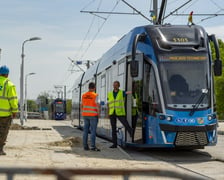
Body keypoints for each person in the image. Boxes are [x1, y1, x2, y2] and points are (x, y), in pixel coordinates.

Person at [107, 81, 133, 148]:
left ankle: (131, 132)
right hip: (112, 113)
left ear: (119, 86)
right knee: (113, 129)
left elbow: (129, 92)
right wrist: (108, 112)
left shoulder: (122, 92)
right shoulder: (109, 94)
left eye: (116, 85)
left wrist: (133, 90)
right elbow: (108, 104)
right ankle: (114, 144)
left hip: (120, 112)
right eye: (114, 85)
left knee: (125, 124)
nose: (115, 86)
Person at [0, 65, 18, 155]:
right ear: (7, 74)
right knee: (3, 132)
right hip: (5, 114)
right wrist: (14, 111)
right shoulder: (10, 85)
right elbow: (13, 100)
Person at [81, 82, 100, 151]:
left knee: (85, 131)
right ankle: (92, 146)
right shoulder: (95, 95)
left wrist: (84, 112)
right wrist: (98, 114)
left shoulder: (84, 95)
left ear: (88, 88)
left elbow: (82, 105)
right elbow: (97, 105)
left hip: (85, 115)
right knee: (93, 131)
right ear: (94, 88)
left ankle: (85, 146)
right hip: (93, 115)